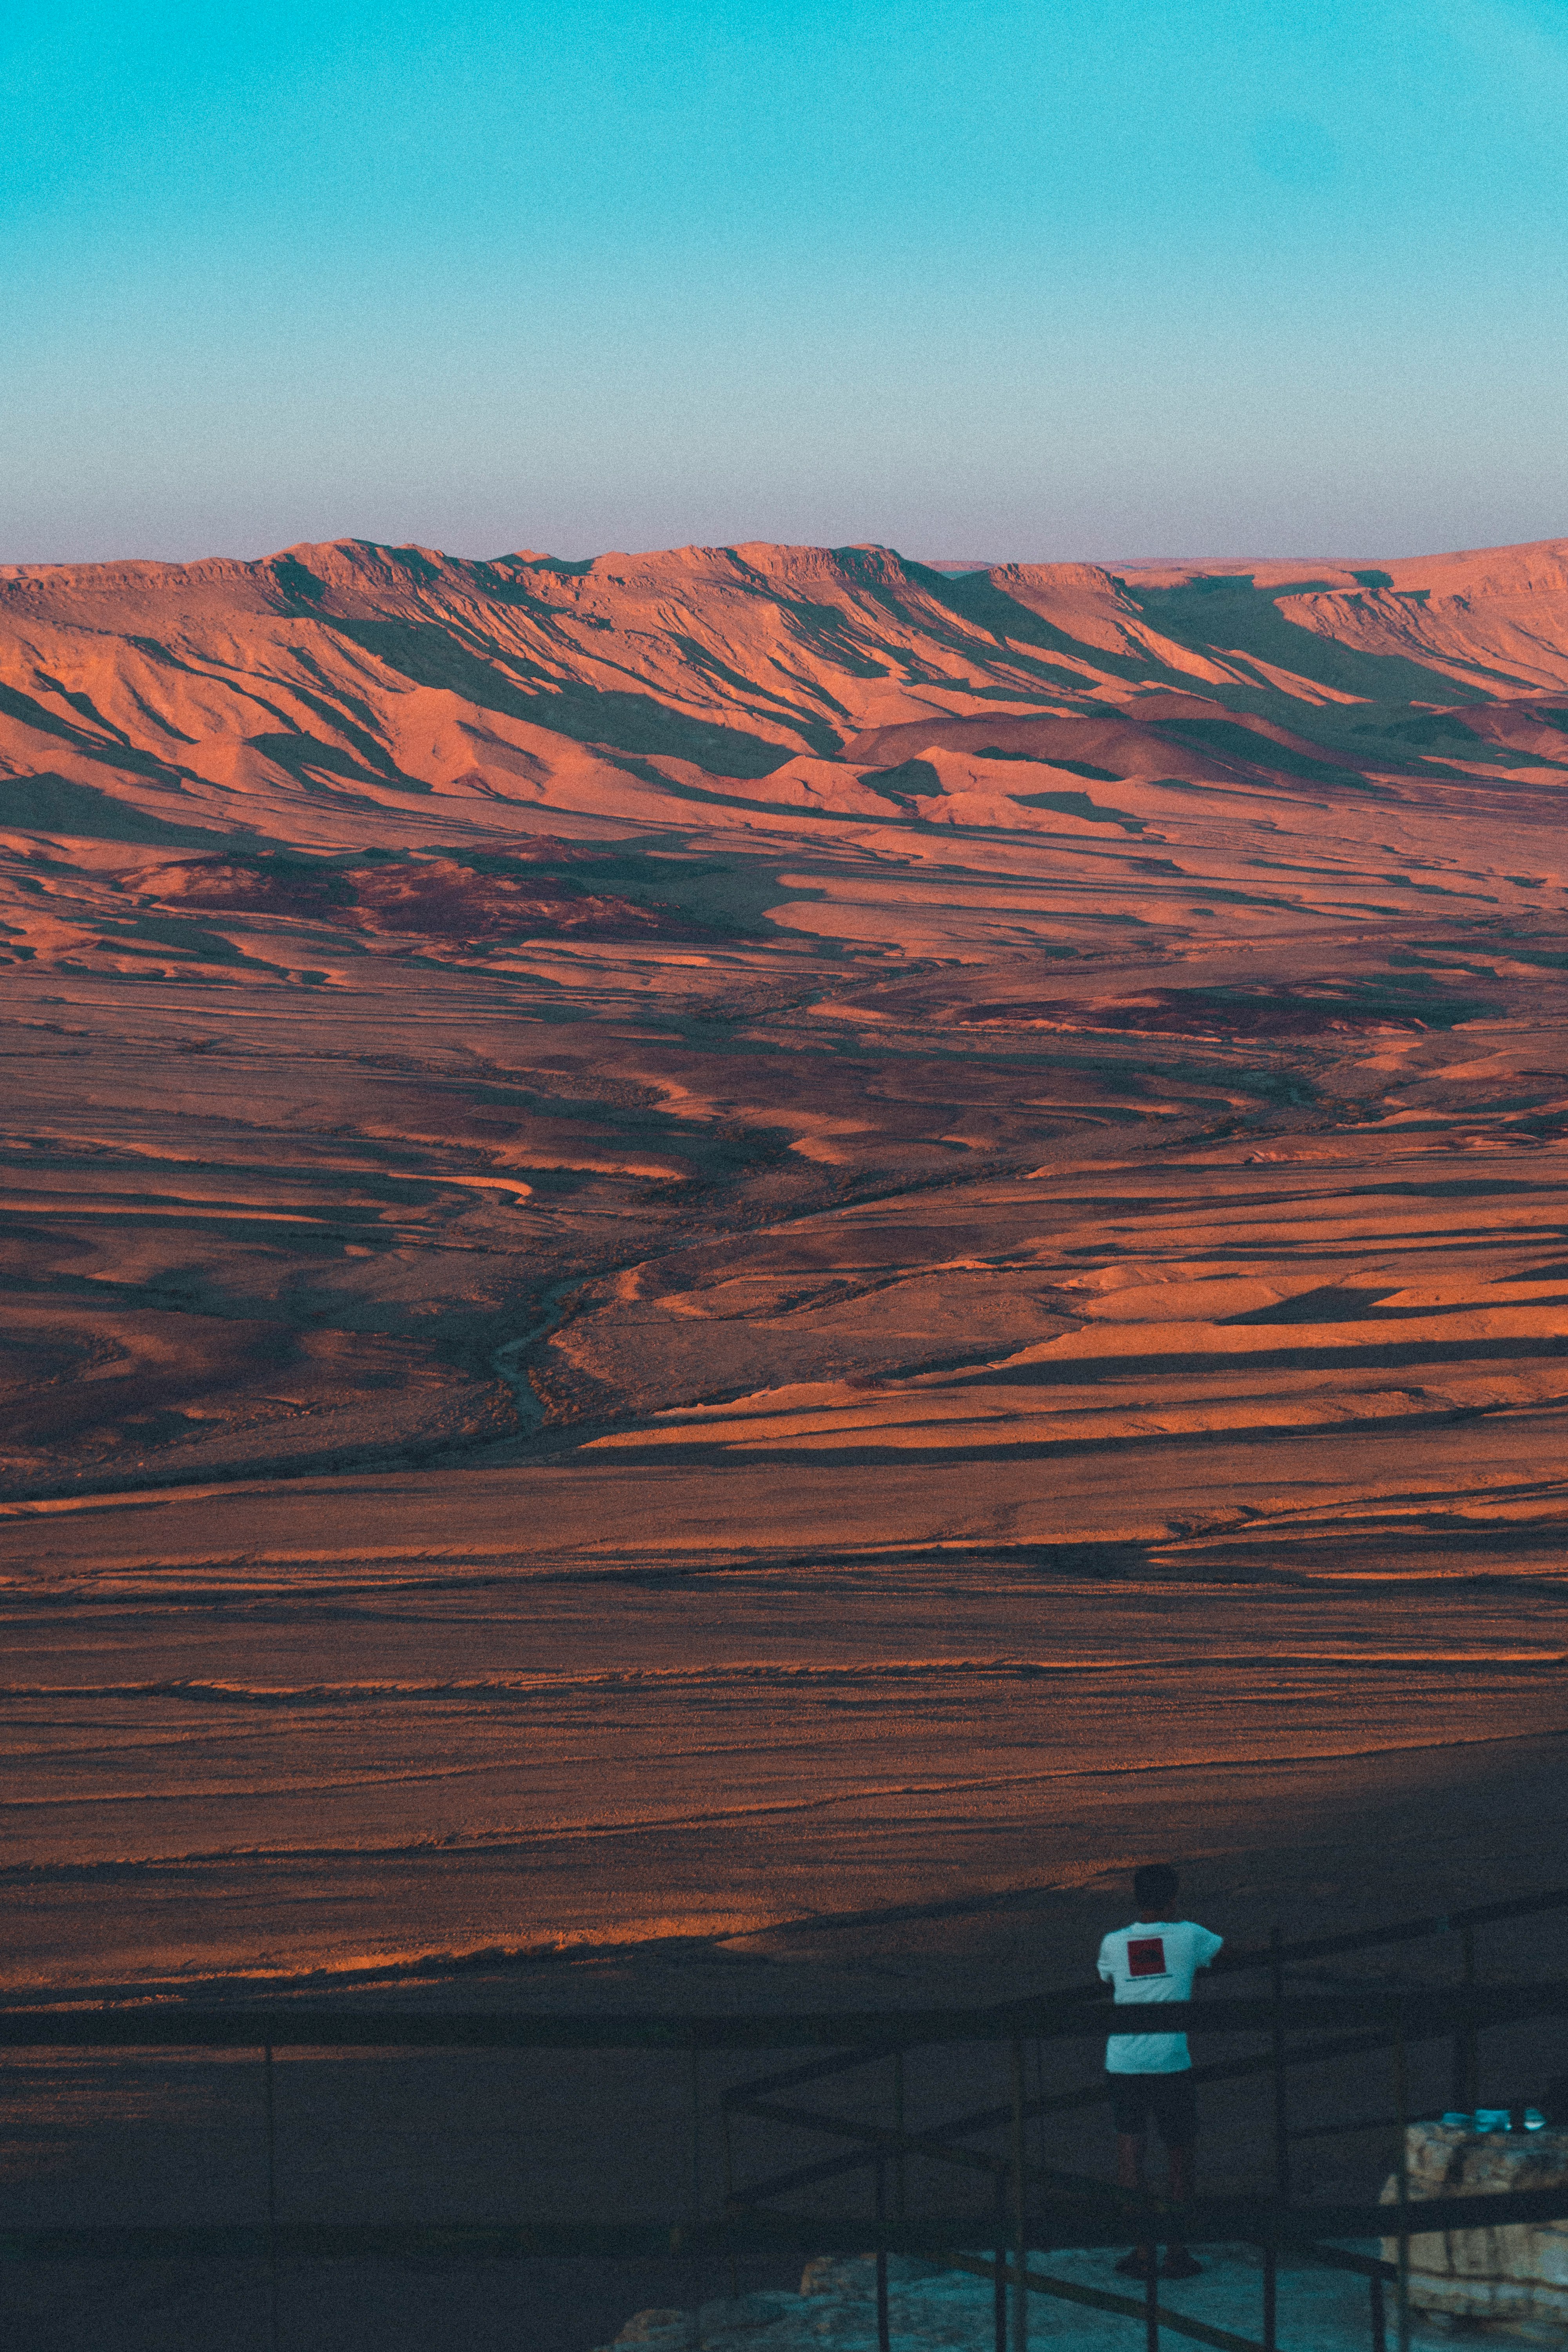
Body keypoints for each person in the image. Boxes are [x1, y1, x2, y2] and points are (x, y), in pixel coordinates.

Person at [1097, 1863, 1223, 2282]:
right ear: (1173, 1898)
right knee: (1179, 2156)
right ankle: (1177, 2251)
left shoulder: (1113, 1943)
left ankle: (1141, 2249)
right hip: (1170, 2060)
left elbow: (1106, 1979)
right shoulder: (1190, 1936)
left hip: (1125, 2060)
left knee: (1131, 2156)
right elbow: (1222, 1953)